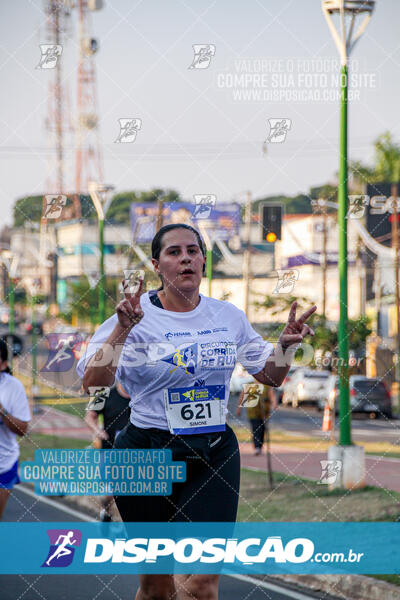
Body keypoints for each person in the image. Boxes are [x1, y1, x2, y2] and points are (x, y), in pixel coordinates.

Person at [77, 223, 316, 600]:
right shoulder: (133, 316)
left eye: (193, 250)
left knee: (203, 584)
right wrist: (122, 330)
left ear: (204, 260)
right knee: (157, 587)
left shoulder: (227, 316)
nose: (185, 258)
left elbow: (270, 375)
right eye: (174, 252)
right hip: (145, 451)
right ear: (157, 264)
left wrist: (286, 346)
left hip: (213, 451)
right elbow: (92, 384)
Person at [85, 381, 131, 521]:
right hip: (109, 449)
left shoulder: (140, 395)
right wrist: (98, 431)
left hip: (133, 452)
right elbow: (89, 417)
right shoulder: (102, 393)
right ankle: (105, 511)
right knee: (108, 492)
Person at [0, 339, 31, 520]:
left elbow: (23, 429)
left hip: (4, 464)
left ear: (4, 364)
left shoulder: (13, 387)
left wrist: (3, 411)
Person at [236, 378, 277, 455]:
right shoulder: (249, 385)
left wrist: (274, 404)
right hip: (252, 412)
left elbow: (272, 396)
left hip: (264, 412)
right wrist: (239, 409)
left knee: (262, 429)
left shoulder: (267, 386)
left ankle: (260, 446)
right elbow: (242, 396)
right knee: (255, 428)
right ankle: (257, 447)